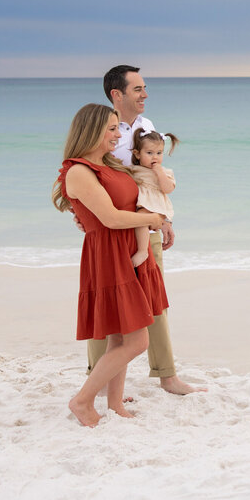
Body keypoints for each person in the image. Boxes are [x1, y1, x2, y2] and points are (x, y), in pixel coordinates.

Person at [85, 65, 201, 395]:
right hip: (111, 230)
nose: (145, 94)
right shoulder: (101, 128)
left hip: (145, 225)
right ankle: (98, 375)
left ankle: (167, 375)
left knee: (155, 303)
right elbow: (80, 172)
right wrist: (79, 212)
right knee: (106, 308)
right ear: (116, 95)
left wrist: (164, 219)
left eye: (145, 88)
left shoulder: (147, 126)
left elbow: (152, 175)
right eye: (138, 89)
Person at [53, 103, 168, 427]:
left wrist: (158, 215)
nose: (119, 134)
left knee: (120, 337)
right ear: (91, 132)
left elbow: (137, 197)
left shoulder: (109, 163)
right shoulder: (79, 171)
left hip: (128, 249)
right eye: (112, 129)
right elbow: (111, 217)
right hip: (108, 254)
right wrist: (152, 220)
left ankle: (115, 403)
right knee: (137, 341)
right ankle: (82, 400)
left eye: (118, 127)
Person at [128, 127, 180, 269]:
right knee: (140, 218)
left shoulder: (165, 172)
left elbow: (168, 189)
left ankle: (143, 251)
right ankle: (143, 248)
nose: (155, 157)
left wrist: (159, 173)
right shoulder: (134, 170)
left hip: (157, 206)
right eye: (149, 153)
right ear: (137, 154)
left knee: (141, 218)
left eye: (159, 153)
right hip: (144, 204)